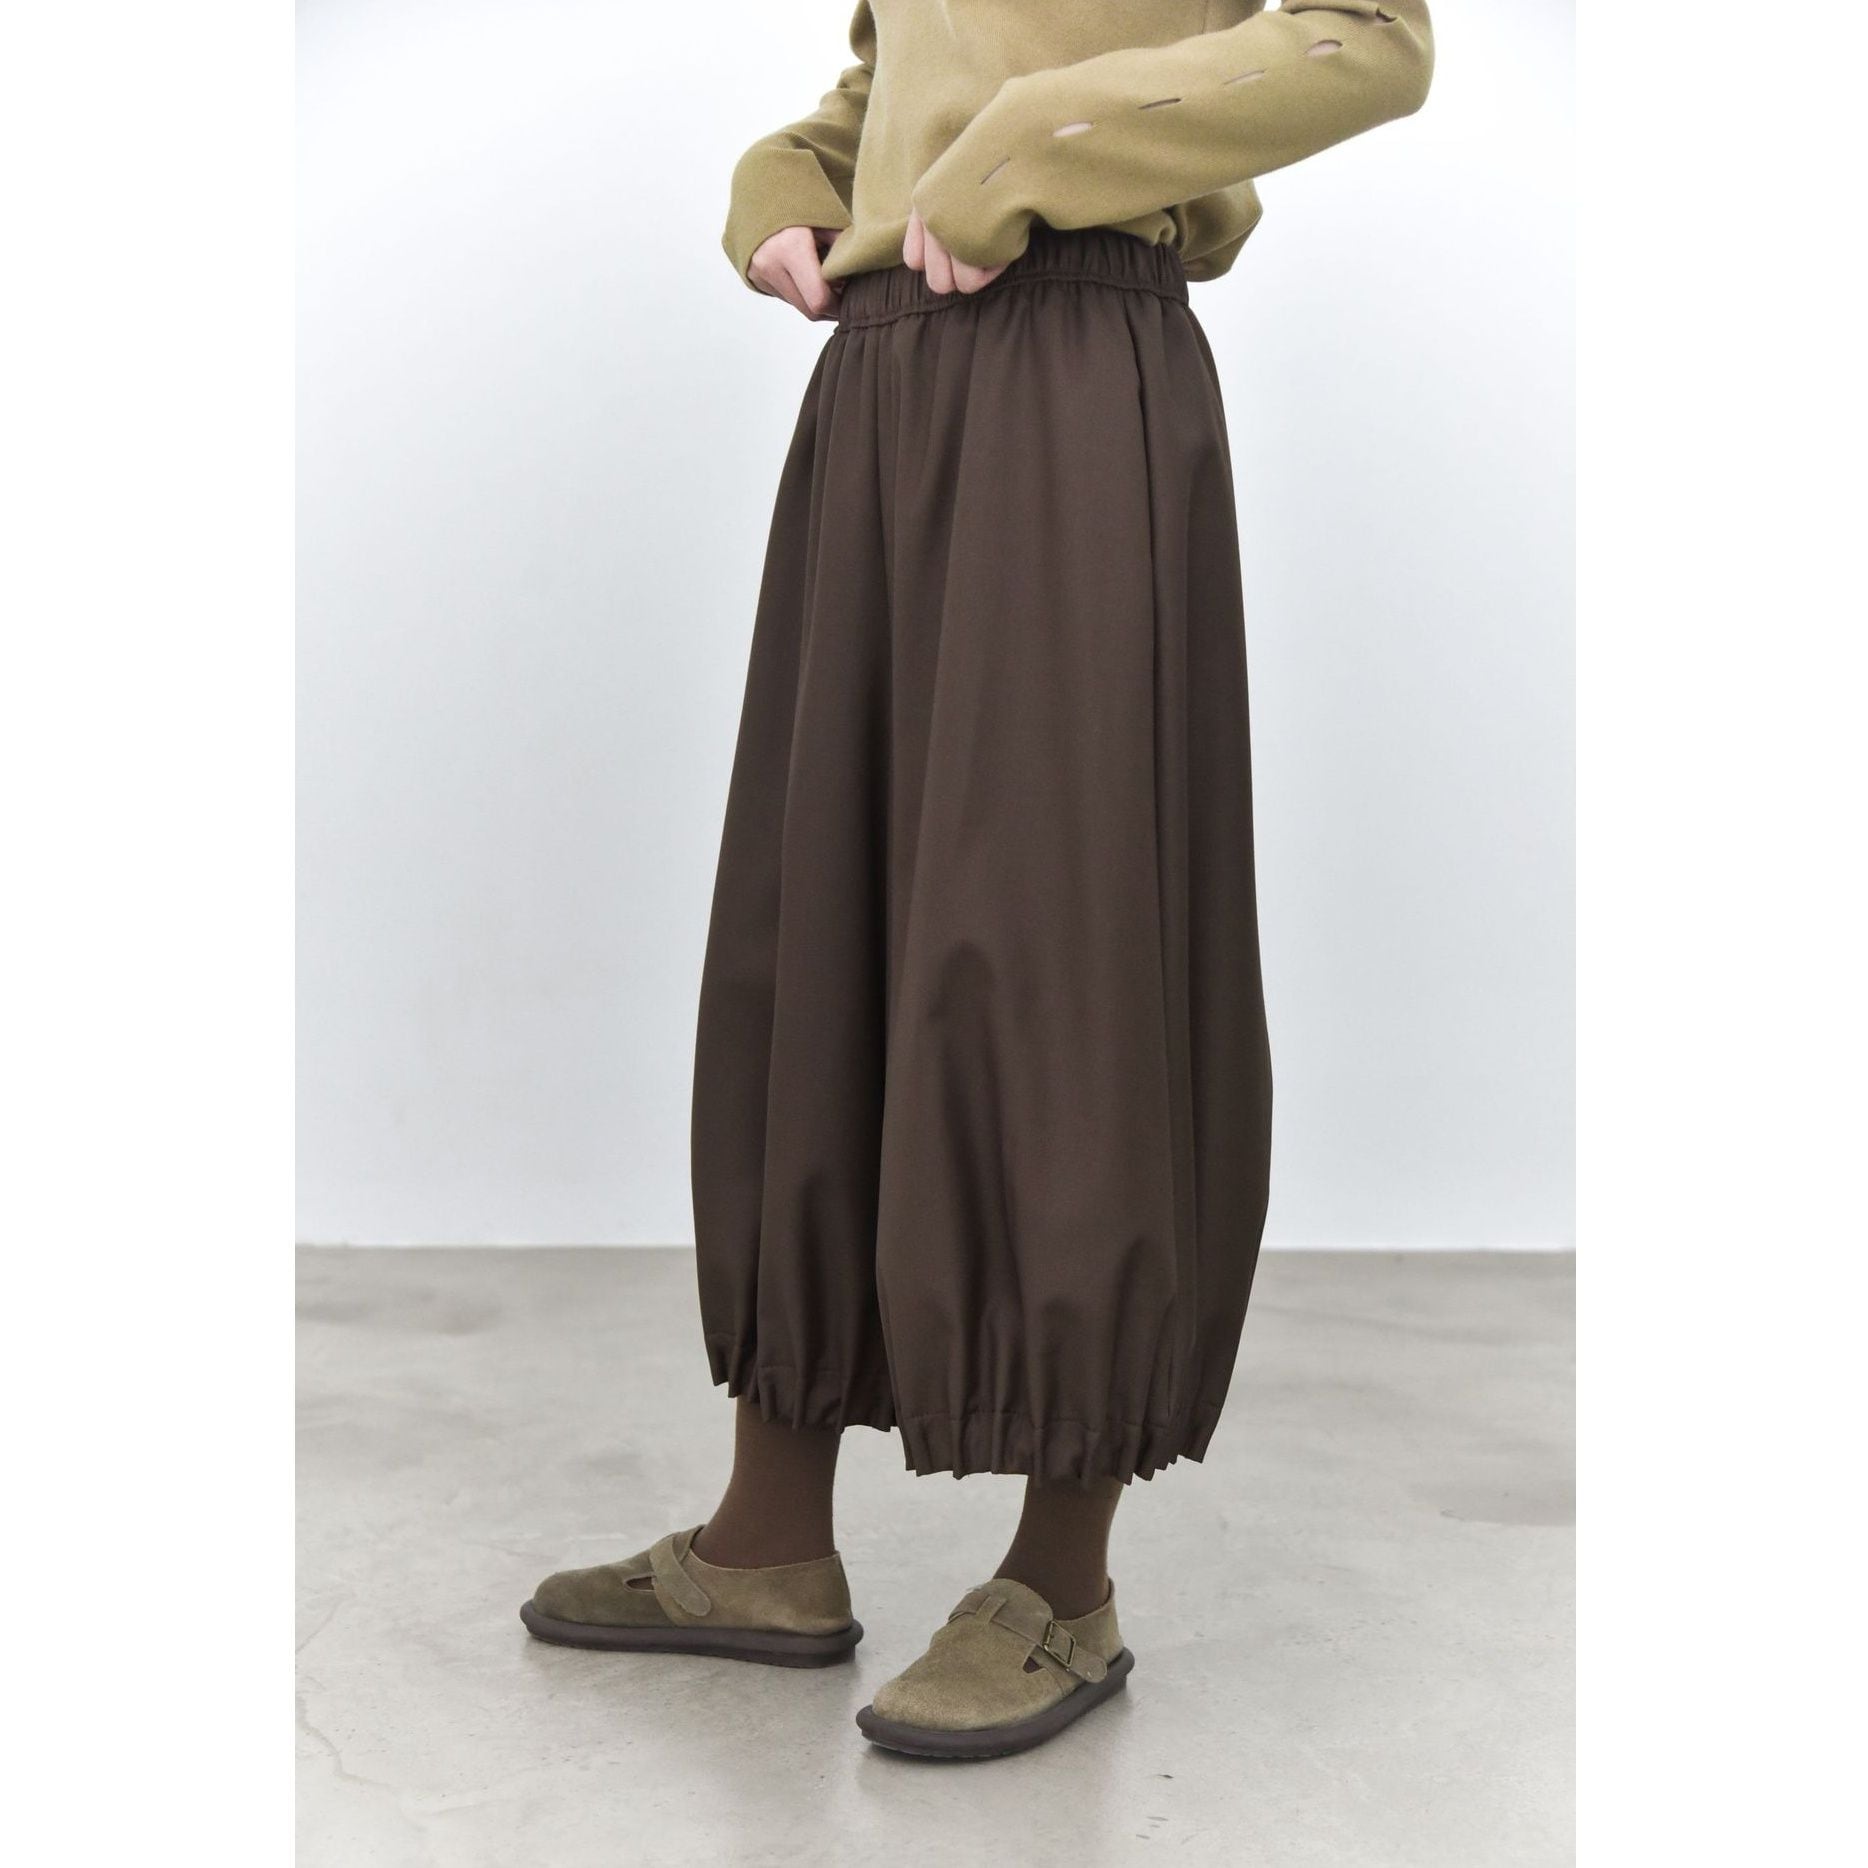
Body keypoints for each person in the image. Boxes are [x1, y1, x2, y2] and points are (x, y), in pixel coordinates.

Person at [522, 0, 1435, 1761]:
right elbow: (907, 70)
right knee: (819, 932)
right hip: (882, 378)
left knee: (1056, 954)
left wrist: (1040, 142)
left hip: (1074, 362)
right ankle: (767, 1543)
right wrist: (794, 171)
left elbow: (1369, 40)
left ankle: (1061, 1580)